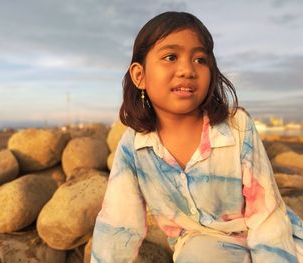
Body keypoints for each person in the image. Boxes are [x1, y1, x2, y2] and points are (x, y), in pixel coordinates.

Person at [90, 11, 303, 263]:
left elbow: (266, 215)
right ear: (140, 76)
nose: (187, 70)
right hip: (202, 247)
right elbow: (118, 224)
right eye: (171, 57)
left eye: (200, 60)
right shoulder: (134, 145)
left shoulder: (237, 127)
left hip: (274, 241)